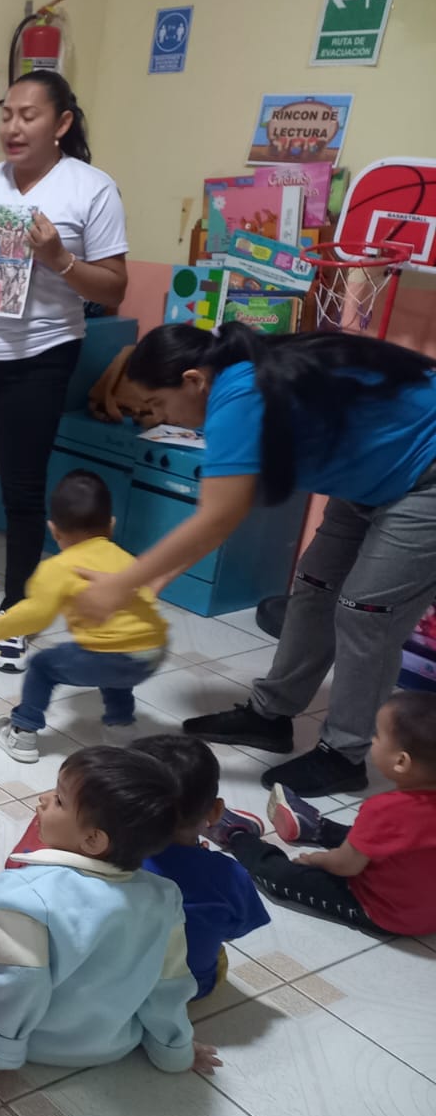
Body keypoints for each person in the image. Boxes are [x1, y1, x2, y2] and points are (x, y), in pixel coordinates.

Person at [72, 322, 436, 798]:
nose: (158, 417)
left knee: (365, 613)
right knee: (314, 586)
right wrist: (158, 578)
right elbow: (229, 508)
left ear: (193, 380)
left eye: (157, 404)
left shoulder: (239, 395)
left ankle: (343, 756)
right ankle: (270, 716)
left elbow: (217, 517)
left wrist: (120, 586)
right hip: (373, 476)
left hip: (425, 476)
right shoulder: (237, 383)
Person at [0, 70, 129, 674]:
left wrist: (60, 258)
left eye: (28, 115)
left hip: (40, 356)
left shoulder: (90, 189)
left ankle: (19, 605)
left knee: (21, 487)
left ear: (61, 123)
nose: (12, 127)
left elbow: (114, 286)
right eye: (7, 114)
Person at [0, 746, 217, 1078]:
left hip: (36, 1042)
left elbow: (21, 982)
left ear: (93, 840)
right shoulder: (164, 897)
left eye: (59, 800)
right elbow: (169, 984)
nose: (43, 799)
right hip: (112, 1044)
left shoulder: (22, 894)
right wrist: (176, 1050)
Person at [0, 470, 168, 762]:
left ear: (54, 531)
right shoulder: (126, 559)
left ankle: (23, 733)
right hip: (153, 652)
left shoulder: (58, 567)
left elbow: (35, 616)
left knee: (42, 666)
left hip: (112, 655)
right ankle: (121, 728)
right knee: (116, 667)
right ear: (112, 524)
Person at [208, 692, 436, 937]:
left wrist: (316, 860)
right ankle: (315, 828)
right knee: (384, 836)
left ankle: (238, 835)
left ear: (401, 761)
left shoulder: (384, 809)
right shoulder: (397, 812)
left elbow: (346, 865)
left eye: (377, 735)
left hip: (386, 913)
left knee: (280, 877)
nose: (372, 740)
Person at [134, 736, 270, 999]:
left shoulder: (104, 855)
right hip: (189, 988)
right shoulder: (230, 875)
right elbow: (233, 931)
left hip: (114, 986)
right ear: (216, 811)